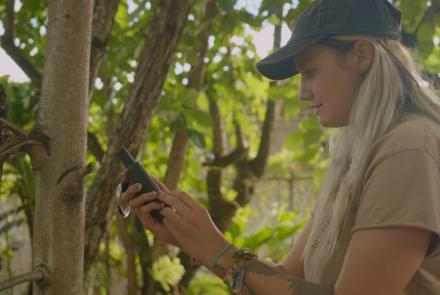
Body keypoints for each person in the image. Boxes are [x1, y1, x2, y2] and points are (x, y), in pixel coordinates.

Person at [120, 0, 440, 293]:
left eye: (310, 72)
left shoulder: (409, 148)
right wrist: (190, 239)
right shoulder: (356, 156)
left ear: (361, 55)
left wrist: (216, 248)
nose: (302, 92)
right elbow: (288, 275)